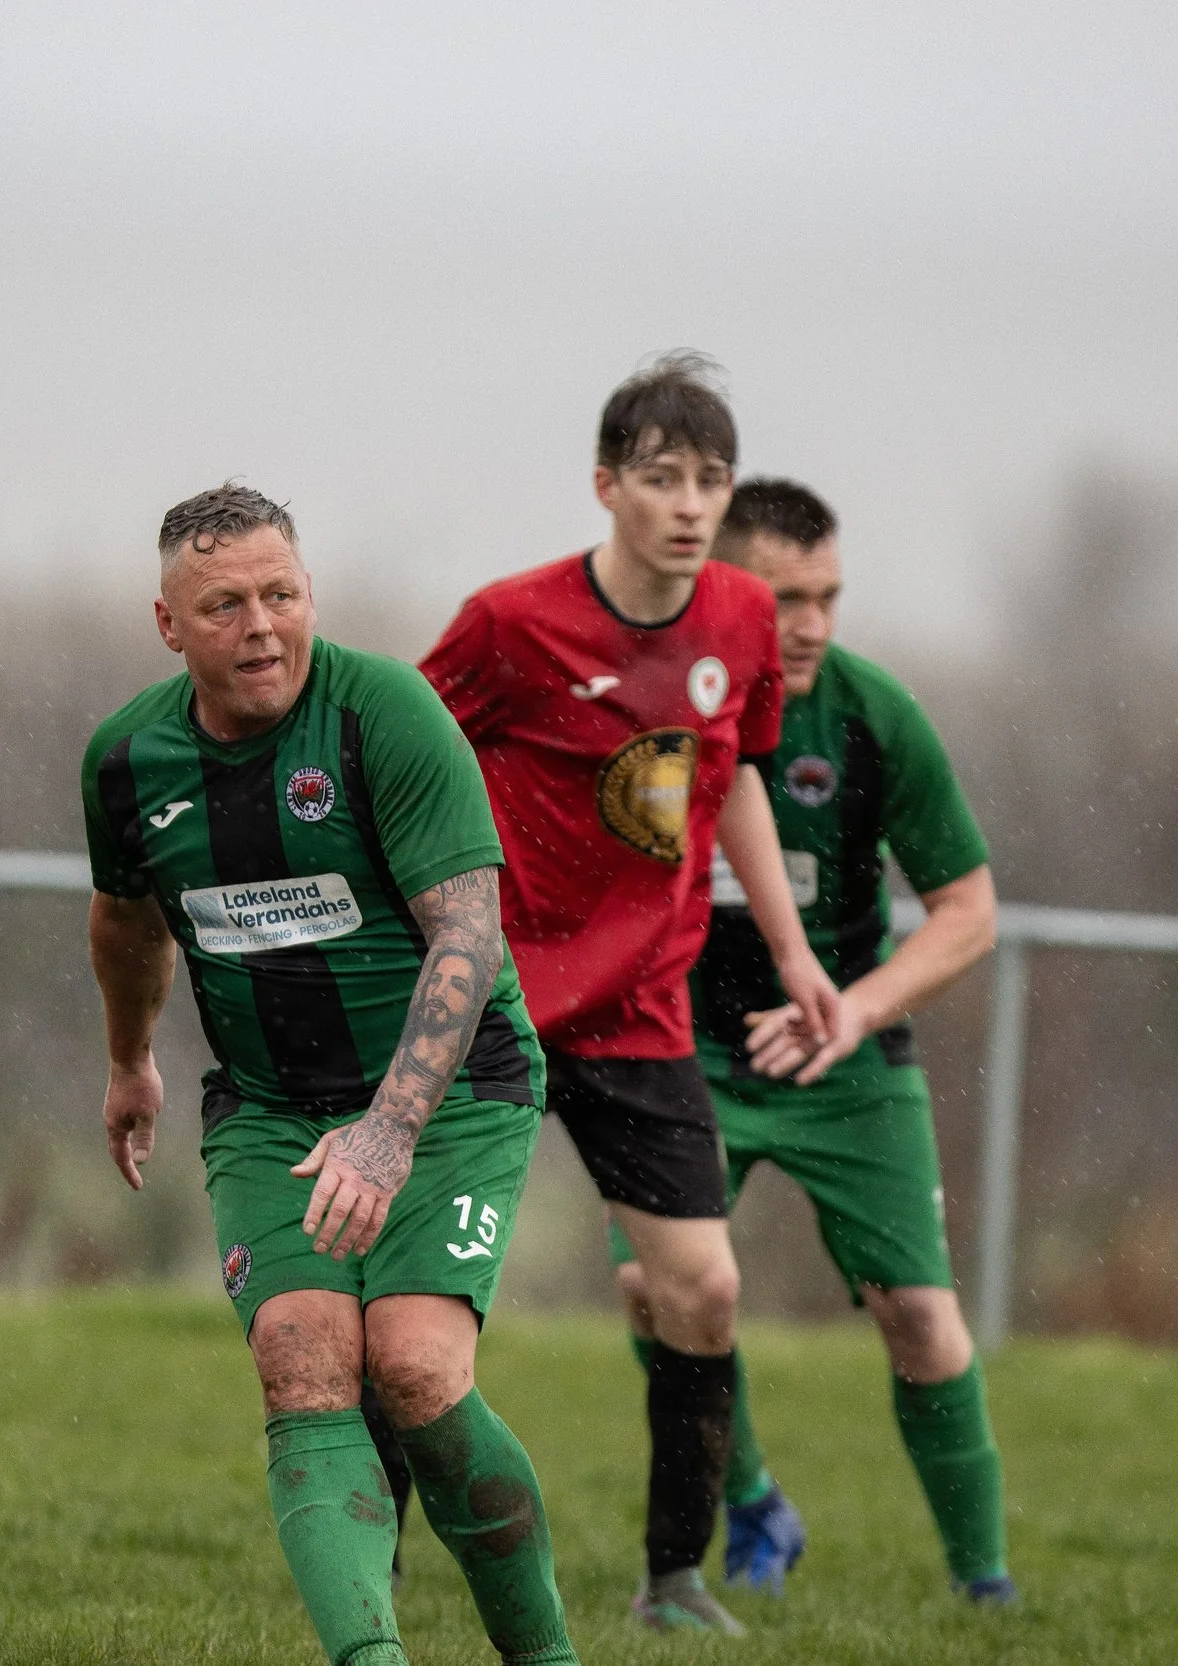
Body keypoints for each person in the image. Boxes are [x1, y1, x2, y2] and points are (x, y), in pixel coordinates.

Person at [83, 484, 578, 1666]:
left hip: (452, 1090)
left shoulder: (385, 714)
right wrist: (127, 1060)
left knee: (411, 1365)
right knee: (301, 1356)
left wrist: (387, 1132)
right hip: (266, 1105)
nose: (260, 626)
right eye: (224, 604)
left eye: (281, 595)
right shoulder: (126, 758)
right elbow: (126, 924)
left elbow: (466, 936)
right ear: (167, 624)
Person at [415, 354, 842, 1633]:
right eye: (661, 478)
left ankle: (671, 1579)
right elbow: (403, 751)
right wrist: (428, 928)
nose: (690, 502)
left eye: (710, 479)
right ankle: (370, 1554)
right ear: (605, 486)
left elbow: (743, 782)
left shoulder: (745, 622)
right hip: (489, 1002)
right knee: (411, 1305)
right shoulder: (509, 623)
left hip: (638, 1012)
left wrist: (796, 950)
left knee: (701, 1290)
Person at [618, 477, 1013, 1604]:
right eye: (785, 597)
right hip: (679, 1052)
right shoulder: (657, 705)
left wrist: (858, 1009)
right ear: (720, 586)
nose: (810, 624)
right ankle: (749, 1502)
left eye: (828, 596)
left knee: (922, 1318)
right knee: (657, 1288)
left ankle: (986, 1592)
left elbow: (969, 910)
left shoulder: (872, 713)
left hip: (846, 1062)